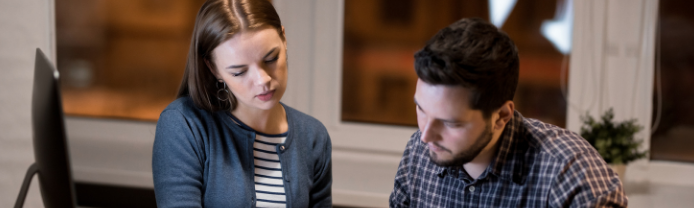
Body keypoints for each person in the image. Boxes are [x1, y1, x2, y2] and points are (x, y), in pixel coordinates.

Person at [389, 18, 627, 207]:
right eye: (421, 109)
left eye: (450, 123)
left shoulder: (568, 170)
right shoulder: (419, 154)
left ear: (501, 116)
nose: (425, 136)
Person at [152, 0, 332, 207]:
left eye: (271, 59)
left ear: (284, 39)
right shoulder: (184, 125)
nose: (262, 80)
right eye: (239, 71)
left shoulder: (313, 136)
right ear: (213, 69)